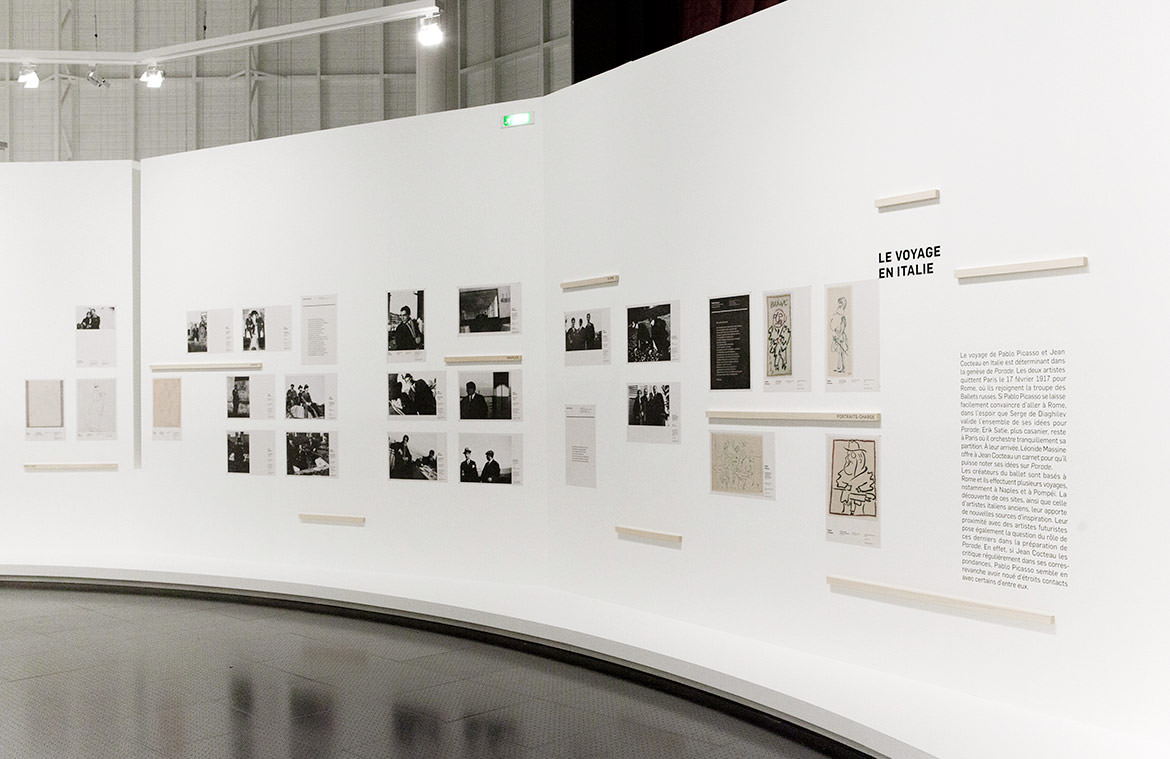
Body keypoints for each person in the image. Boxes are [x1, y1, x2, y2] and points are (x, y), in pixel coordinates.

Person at [833, 440, 876, 516]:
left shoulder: (866, 478)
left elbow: (870, 496)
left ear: (859, 458)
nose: (847, 458)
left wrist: (862, 496)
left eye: (851, 455)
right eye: (848, 454)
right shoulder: (843, 477)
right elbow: (843, 495)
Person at [830, 297, 848, 374]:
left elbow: (843, 326)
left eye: (840, 303)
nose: (839, 304)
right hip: (837, 334)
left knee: (842, 352)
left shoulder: (842, 315)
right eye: (839, 303)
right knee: (839, 352)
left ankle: (842, 368)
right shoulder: (838, 312)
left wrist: (839, 335)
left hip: (841, 335)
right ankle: (839, 367)